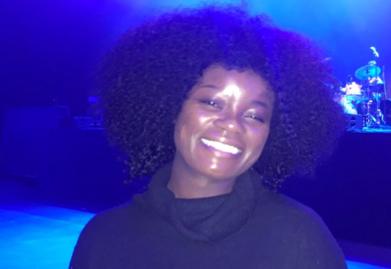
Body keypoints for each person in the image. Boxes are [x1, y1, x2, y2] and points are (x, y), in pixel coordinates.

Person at [70, 5, 346, 269]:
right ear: (171, 105)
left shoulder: (300, 238)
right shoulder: (103, 238)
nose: (231, 124)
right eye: (212, 102)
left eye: (254, 115)